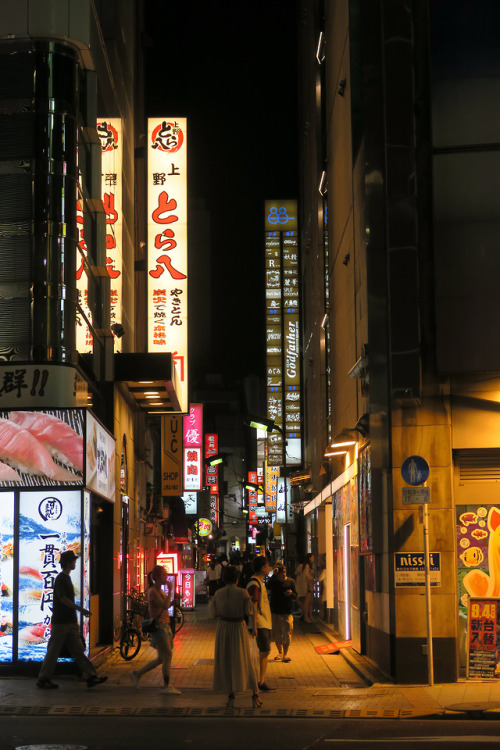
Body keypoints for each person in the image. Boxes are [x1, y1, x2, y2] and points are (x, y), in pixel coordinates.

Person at [37, 550, 107, 690]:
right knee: (54, 651)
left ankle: (91, 676)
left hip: (68, 622)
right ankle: (43, 678)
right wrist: (80, 609)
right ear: (69, 563)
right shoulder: (61, 579)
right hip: (61, 622)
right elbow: (63, 599)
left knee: (77, 651)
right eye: (73, 561)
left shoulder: (66, 578)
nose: (75, 563)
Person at [209, 564, 261, 708]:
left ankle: (230, 694)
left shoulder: (218, 593)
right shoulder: (243, 593)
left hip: (223, 628)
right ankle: (254, 692)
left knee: (226, 660)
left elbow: (213, 613)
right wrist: (254, 629)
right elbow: (251, 612)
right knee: (244, 659)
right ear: (237, 578)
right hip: (238, 627)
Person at [130, 565, 180, 694]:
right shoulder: (153, 591)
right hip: (159, 626)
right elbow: (164, 605)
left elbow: (166, 605)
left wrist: (172, 601)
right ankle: (167, 685)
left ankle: (137, 674)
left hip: (164, 625)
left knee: (161, 658)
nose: (166, 576)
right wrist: (170, 591)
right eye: (164, 574)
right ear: (157, 577)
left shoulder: (159, 590)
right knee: (167, 655)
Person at [246, 555, 276, 692]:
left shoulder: (259, 582)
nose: (269, 568)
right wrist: (255, 626)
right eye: (268, 565)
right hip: (259, 623)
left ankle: (261, 681)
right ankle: (254, 678)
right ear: (263, 567)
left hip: (263, 622)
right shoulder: (254, 584)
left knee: (265, 651)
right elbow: (253, 605)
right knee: (264, 650)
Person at [267, 562, 297, 662]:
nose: (283, 574)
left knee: (288, 633)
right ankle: (280, 652)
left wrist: (291, 594)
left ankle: (285, 654)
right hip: (275, 610)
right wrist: (273, 575)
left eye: (284, 572)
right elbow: (267, 586)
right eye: (281, 573)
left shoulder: (291, 582)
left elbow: (296, 595)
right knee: (276, 634)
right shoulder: (274, 581)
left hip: (287, 611)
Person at [295, 553, 315, 622]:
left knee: (309, 602)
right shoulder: (306, 566)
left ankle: (308, 616)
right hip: (308, 586)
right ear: (309, 558)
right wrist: (310, 584)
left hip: (309, 585)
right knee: (307, 602)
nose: (313, 558)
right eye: (312, 557)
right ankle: (307, 617)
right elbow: (307, 576)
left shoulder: (307, 566)